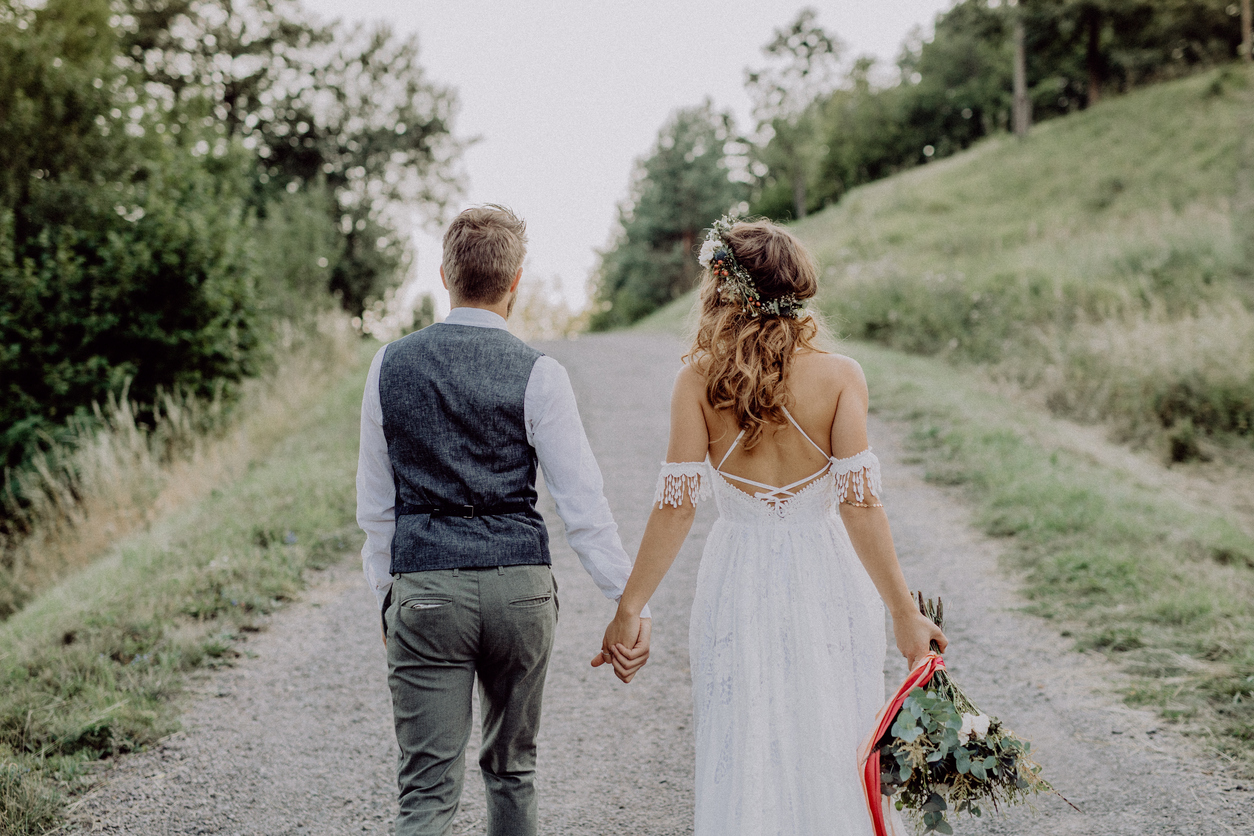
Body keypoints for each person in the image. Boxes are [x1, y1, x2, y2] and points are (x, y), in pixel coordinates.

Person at [598, 216, 947, 835]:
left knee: (745, 736)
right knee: (833, 733)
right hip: (830, 578)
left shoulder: (698, 384)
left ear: (722, 291)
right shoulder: (841, 377)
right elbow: (859, 506)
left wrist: (631, 607)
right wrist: (903, 614)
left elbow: (677, 506)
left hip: (739, 579)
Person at [356, 204, 649, 836]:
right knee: (514, 771)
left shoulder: (389, 366)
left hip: (426, 589)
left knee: (427, 793)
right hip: (520, 592)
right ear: (516, 282)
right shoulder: (540, 374)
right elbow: (583, 506)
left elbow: (376, 507)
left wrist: (387, 597)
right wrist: (630, 605)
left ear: (444, 275)